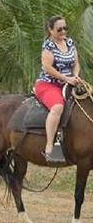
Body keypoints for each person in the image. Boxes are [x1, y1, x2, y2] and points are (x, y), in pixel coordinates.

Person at [33, 15, 81, 163]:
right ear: (50, 30)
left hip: (69, 82)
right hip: (49, 84)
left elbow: (76, 63)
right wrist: (67, 78)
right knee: (58, 107)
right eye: (59, 29)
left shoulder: (70, 42)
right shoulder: (48, 46)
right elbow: (48, 68)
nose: (63, 31)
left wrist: (76, 76)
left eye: (65, 28)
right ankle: (49, 147)